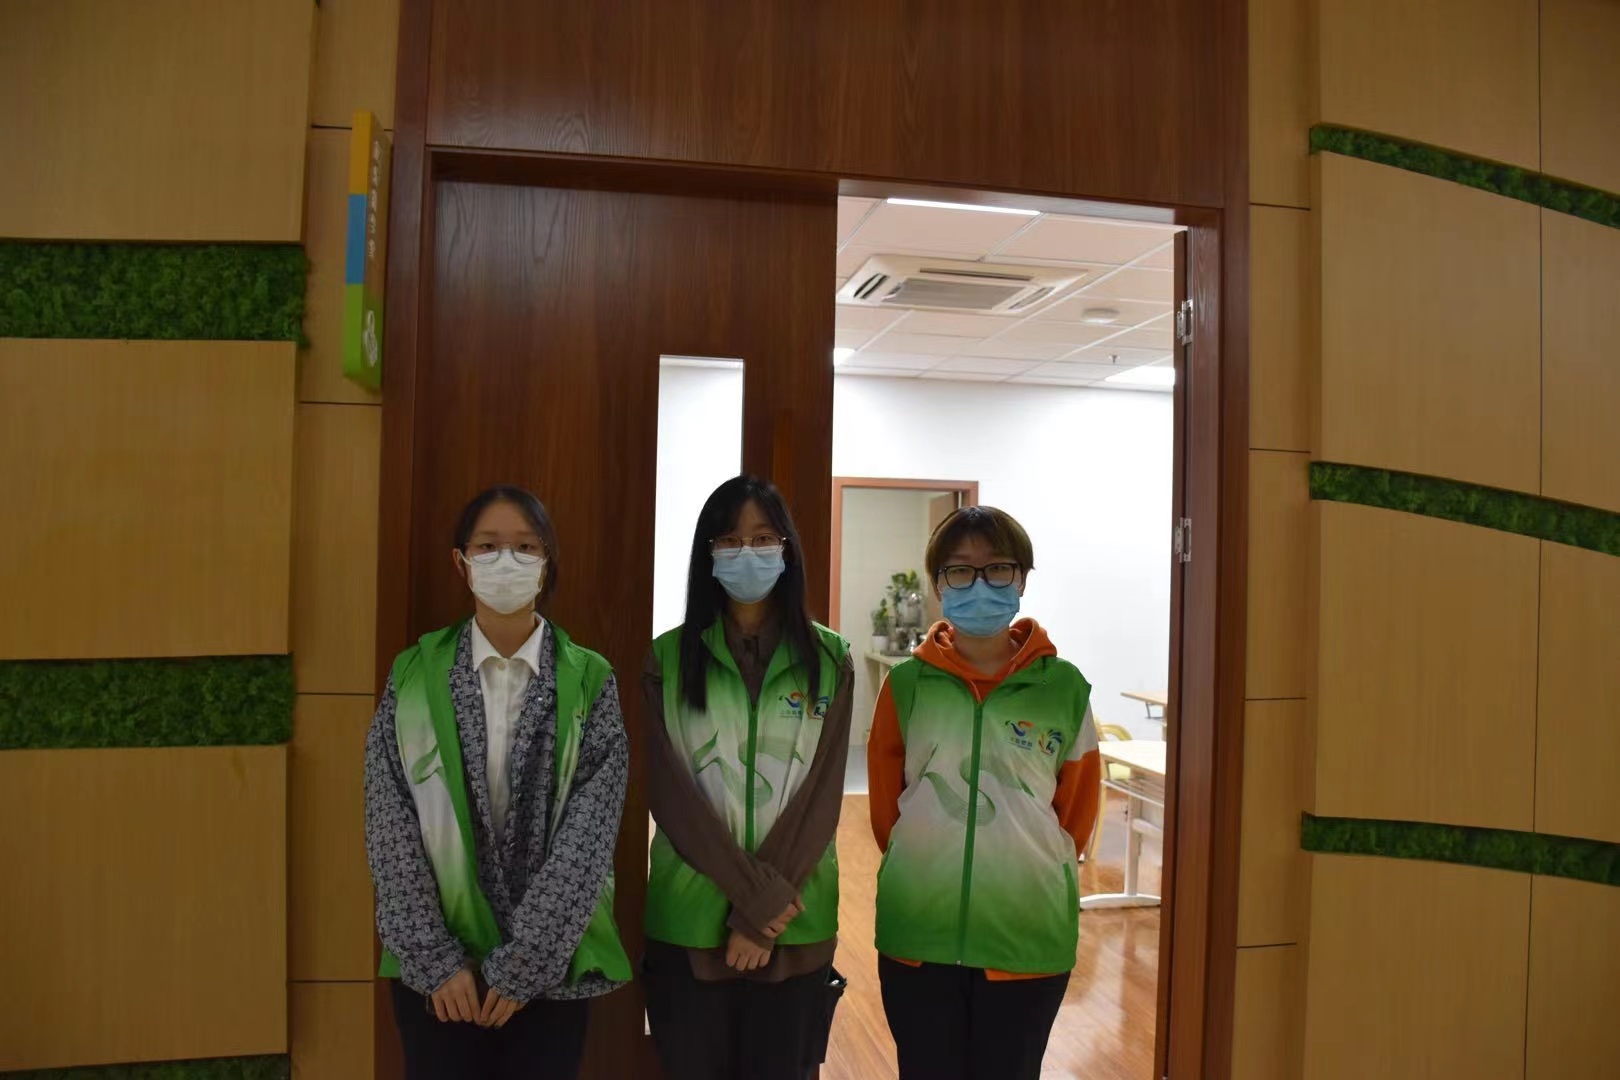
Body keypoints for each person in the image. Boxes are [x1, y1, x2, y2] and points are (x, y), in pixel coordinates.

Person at [364, 485, 631, 1080]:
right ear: (461, 562)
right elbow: (389, 824)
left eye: (525, 546)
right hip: (439, 981)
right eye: (487, 546)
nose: (506, 560)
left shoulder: (590, 680)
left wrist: (527, 962)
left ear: (546, 562)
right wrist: (435, 959)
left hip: (551, 975)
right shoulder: (413, 674)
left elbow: (589, 838)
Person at [868, 505, 1102, 1080]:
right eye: (960, 570)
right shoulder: (906, 685)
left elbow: (1075, 816)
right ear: (938, 584)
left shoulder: (1064, 689)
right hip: (918, 932)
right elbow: (886, 812)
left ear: (1021, 579)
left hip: (1026, 935)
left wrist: (1028, 864)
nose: (980, 584)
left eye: (997, 568)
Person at [641, 475, 854, 1080]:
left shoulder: (831, 660)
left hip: (797, 919)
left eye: (763, 538)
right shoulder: (666, 659)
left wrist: (761, 915)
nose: (747, 552)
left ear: (787, 549)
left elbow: (821, 798)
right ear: (708, 553)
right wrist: (756, 901)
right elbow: (670, 797)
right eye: (730, 540)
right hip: (689, 919)